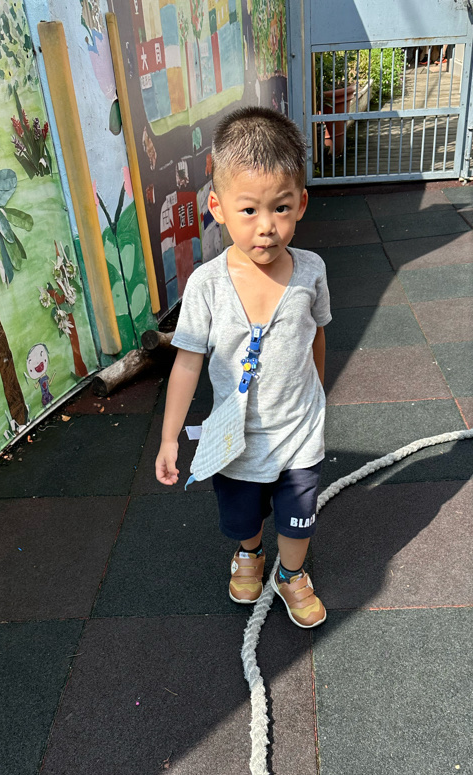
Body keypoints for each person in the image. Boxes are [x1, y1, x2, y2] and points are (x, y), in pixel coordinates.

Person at [155, 106, 331, 629]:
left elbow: (317, 335)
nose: (267, 227)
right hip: (236, 437)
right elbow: (187, 363)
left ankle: (291, 574)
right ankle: (250, 554)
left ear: (301, 203)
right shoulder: (207, 286)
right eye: (249, 210)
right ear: (218, 207)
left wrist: (318, 394)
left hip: (299, 428)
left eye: (281, 208)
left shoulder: (311, 271)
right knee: (242, 515)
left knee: (298, 517)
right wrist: (169, 438)